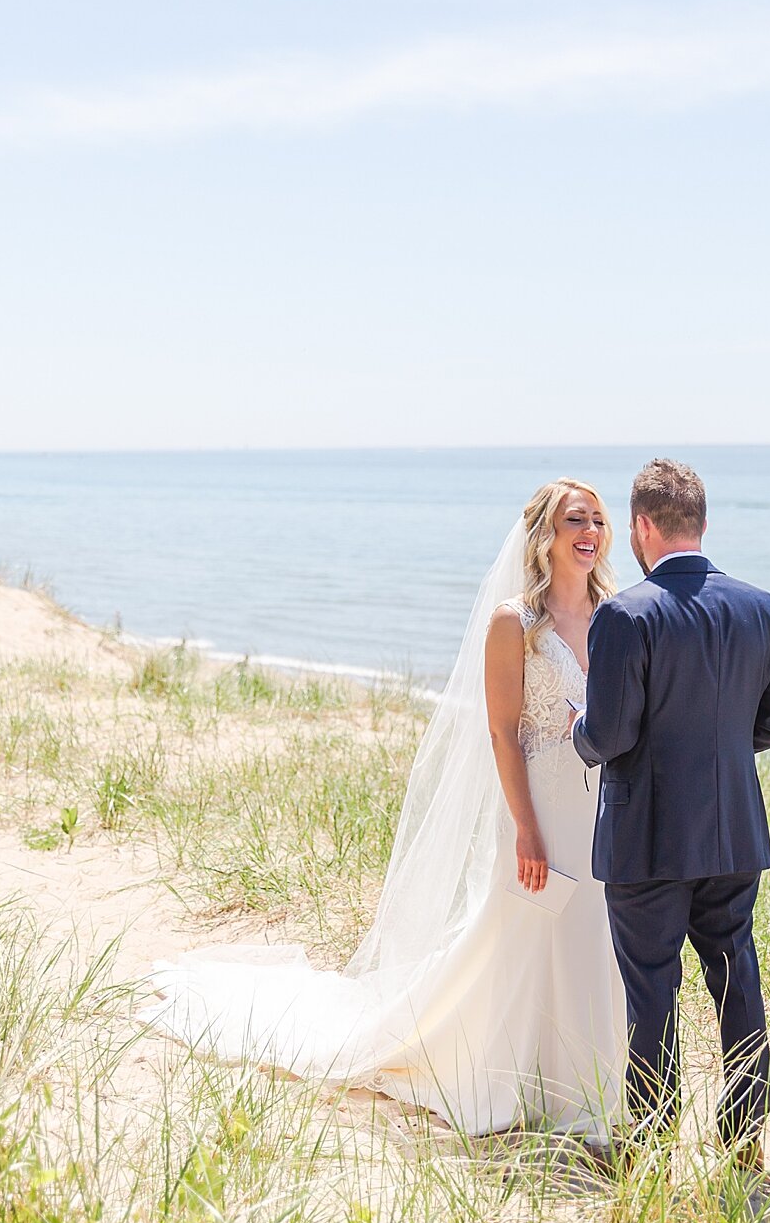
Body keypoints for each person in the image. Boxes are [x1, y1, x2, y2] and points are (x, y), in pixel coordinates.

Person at [144, 479, 628, 1137]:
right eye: (577, 519)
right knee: (523, 937)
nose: (591, 532)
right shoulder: (514, 622)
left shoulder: (619, 614)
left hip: (603, 807)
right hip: (539, 808)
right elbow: (501, 732)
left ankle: (584, 1082)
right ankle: (502, 1074)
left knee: (590, 939)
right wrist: (525, 830)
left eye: (599, 519)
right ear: (545, 533)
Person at [571, 459, 770, 1191]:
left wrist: (579, 730)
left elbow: (608, 736)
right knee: (736, 977)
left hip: (647, 838)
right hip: (733, 831)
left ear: (641, 527)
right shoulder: (764, 608)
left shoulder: (626, 615)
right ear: (701, 523)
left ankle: (650, 1141)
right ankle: (744, 1141)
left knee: (652, 990)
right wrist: (721, 753)